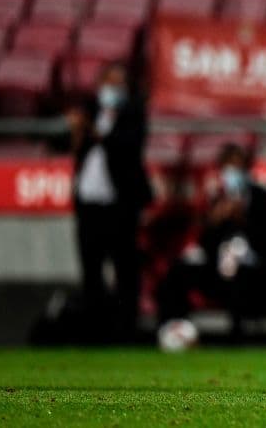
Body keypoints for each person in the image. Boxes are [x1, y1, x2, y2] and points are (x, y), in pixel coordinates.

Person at [155, 143, 266, 334]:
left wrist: (244, 218)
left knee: (241, 277)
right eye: (227, 168)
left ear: (247, 169)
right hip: (219, 269)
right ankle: (175, 329)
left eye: (237, 167)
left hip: (255, 269)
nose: (232, 173)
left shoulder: (265, 200)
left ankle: (237, 338)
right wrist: (216, 220)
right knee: (179, 272)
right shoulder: (218, 200)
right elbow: (206, 245)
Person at [67, 61, 152, 341]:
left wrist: (97, 129)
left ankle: (125, 332)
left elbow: (127, 147)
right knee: (91, 271)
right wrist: (79, 130)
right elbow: (67, 145)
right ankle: (93, 331)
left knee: (125, 271)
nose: (112, 89)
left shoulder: (133, 114)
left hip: (121, 207)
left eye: (119, 84)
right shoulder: (89, 112)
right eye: (108, 82)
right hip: (89, 206)